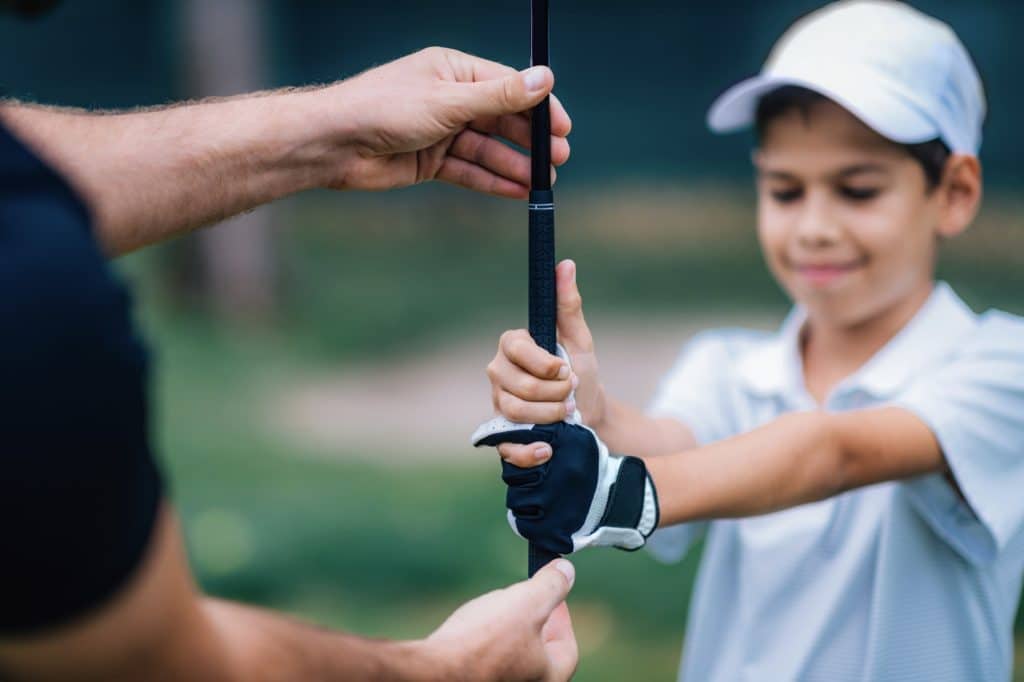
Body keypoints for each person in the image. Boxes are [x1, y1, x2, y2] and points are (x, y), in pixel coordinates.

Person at [0, 37, 579, 682]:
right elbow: (144, 665)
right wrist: (452, 670)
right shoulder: (28, 291)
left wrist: (336, 125)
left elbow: (19, 182)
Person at [477, 2, 1024, 680]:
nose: (815, 226)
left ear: (956, 192)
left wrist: (613, 491)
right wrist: (590, 413)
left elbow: (834, 451)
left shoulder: (1003, 366)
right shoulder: (726, 367)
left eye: (857, 190)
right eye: (786, 191)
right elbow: (671, 450)